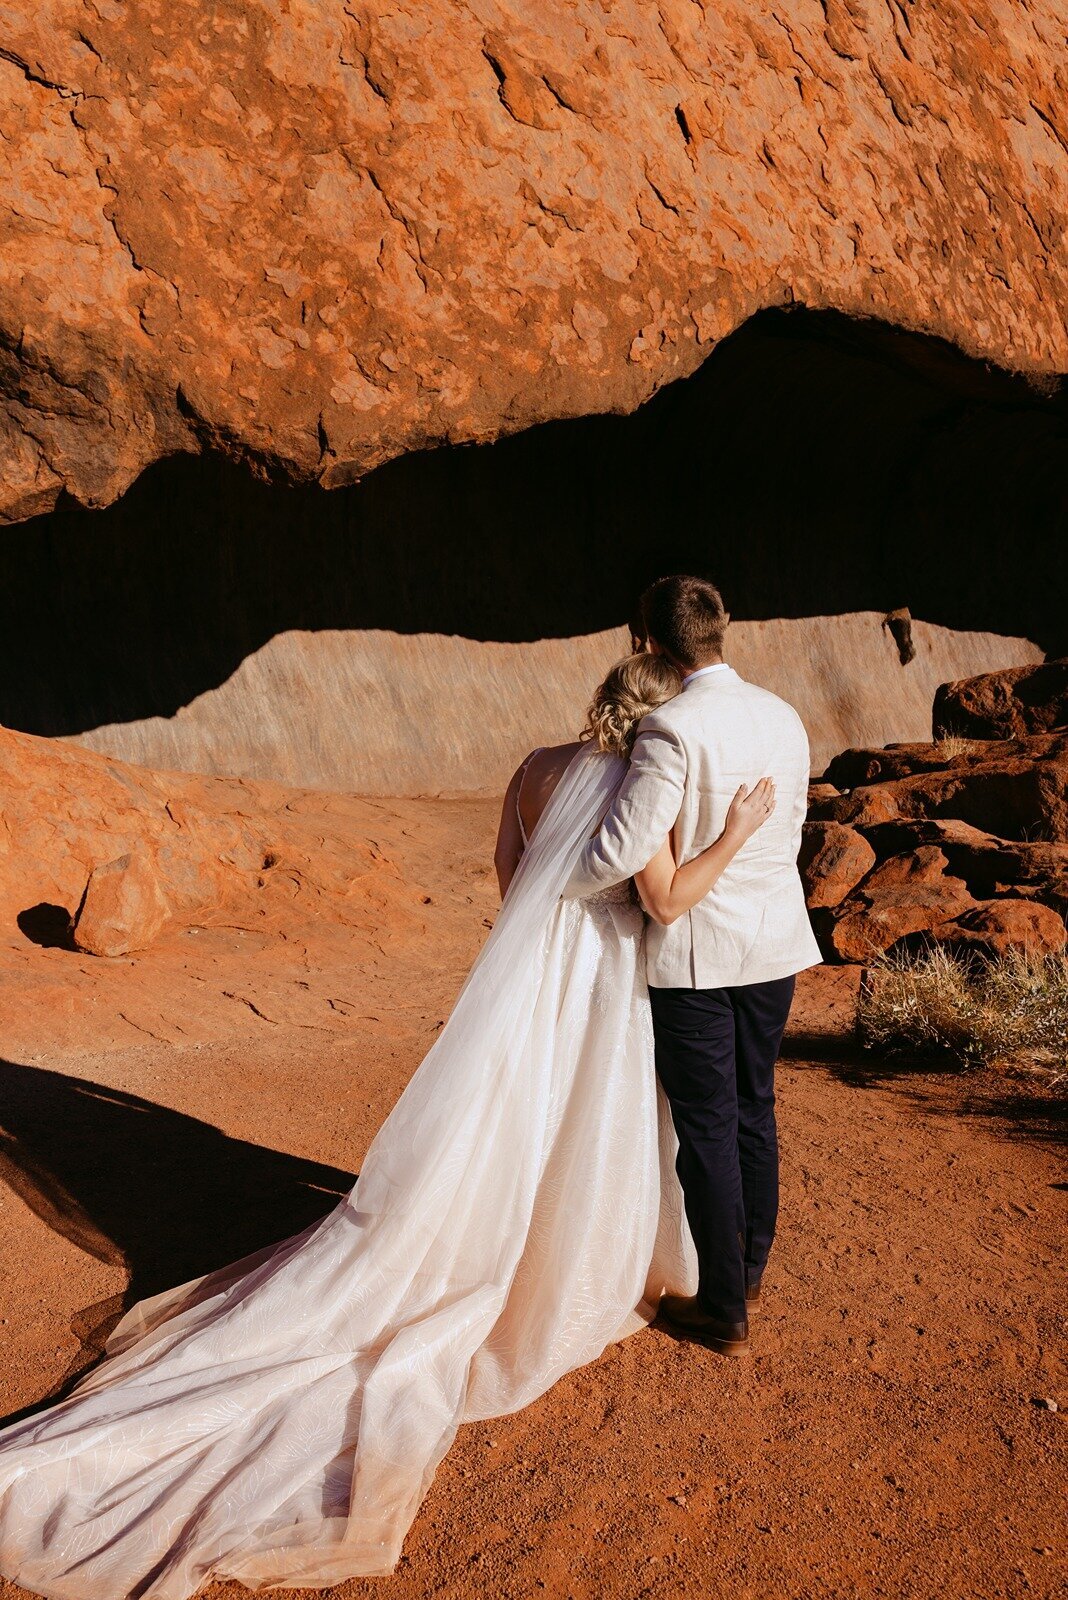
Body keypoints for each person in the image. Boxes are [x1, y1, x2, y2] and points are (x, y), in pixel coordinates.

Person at [0, 651, 776, 1600]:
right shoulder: (635, 783)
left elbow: (508, 870)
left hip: (523, 971)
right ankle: (550, 1260)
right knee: (578, 1125)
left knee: (499, 1112)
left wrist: (533, 945)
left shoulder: (535, 766)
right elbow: (655, 894)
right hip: (602, 974)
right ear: (656, 722)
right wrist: (729, 836)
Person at [567, 575, 823, 1357]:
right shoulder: (784, 716)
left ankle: (722, 1309)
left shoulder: (669, 730)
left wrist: (563, 878)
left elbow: (620, 850)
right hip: (775, 945)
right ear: (722, 629)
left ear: (646, 640)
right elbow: (794, 827)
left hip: (697, 958)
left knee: (707, 1124)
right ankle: (745, 1271)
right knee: (757, 1106)